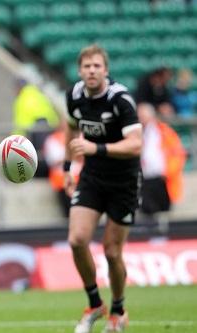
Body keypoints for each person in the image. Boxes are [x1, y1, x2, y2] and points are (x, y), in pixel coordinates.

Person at [64, 44, 142, 333]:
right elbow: (71, 129)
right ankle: (95, 303)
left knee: (111, 251)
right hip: (93, 177)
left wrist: (95, 148)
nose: (92, 71)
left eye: (97, 66)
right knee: (77, 239)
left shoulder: (120, 99)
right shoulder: (74, 95)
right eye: (86, 66)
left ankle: (119, 309)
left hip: (124, 182)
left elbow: (136, 145)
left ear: (106, 70)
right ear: (80, 70)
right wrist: (68, 167)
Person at [137, 103, 186, 230]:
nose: (141, 119)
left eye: (143, 116)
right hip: (144, 180)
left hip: (162, 179)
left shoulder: (164, 132)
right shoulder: (136, 133)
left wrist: (168, 172)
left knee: (164, 212)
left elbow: (177, 154)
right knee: (146, 213)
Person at [13, 78, 60, 177]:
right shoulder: (39, 94)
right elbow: (53, 116)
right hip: (49, 131)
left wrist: (14, 142)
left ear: (19, 88)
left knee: (34, 161)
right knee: (45, 158)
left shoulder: (22, 99)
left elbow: (21, 124)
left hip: (34, 133)